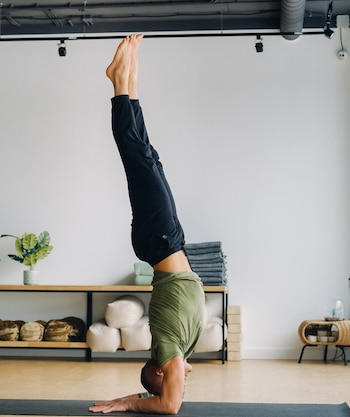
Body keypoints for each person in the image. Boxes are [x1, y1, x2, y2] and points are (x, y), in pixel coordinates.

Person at [89, 34, 205, 415]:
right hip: (168, 241)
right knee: (148, 156)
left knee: (137, 156)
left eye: (174, 379)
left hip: (160, 242)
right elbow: (169, 389)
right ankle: (128, 76)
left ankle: (118, 82)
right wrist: (135, 396)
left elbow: (170, 408)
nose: (182, 380)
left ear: (160, 371)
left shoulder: (169, 352)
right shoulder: (179, 352)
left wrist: (129, 403)